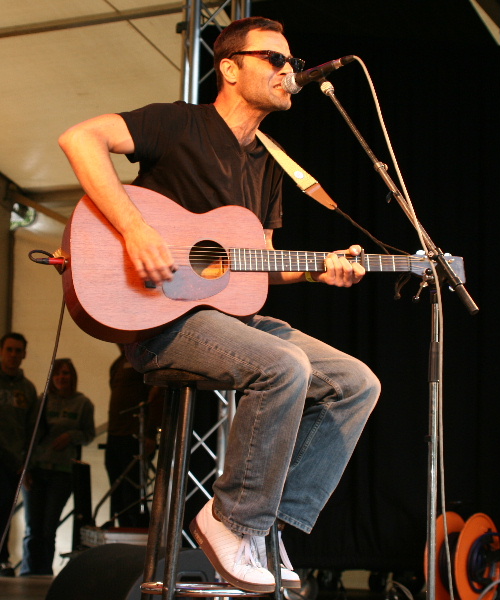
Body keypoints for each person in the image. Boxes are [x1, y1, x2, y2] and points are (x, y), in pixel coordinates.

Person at [58, 16, 381, 592]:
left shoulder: (272, 163)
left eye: (292, 61)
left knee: (356, 382)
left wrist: (317, 268)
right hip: (160, 321)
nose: (289, 71)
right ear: (230, 68)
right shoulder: (178, 123)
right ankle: (230, 519)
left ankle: (265, 526)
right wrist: (135, 229)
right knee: (284, 365)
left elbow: (258, 263)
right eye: (274, 60)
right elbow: (79, 139)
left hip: (232, 321)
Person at [20, 358, 95, 576]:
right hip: (37, 469)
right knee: (32, 527)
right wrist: (25, 468)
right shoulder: (42, 401)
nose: (62, 377)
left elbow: (89, 434)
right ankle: (28, 572)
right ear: (52, 378)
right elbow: (30, 435)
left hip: (62, 473)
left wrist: (71, 436)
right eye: (58, 373)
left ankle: (43, 573)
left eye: (66, 373)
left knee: (48, 527)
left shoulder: (83, 404)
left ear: (73, 377)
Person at [105, 344, 161, 528]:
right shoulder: (117, 363)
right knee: (117, 492)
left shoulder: (143, 359)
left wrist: (150, 434)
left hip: (135, 436)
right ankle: (123, 531)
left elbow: (155, 396)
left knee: (133, 494)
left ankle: (139, 532)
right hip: (114, 435)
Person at [0, 332, 38, 578]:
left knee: (6, 510)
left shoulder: (28, 389)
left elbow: (31, 429)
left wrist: (26, 464)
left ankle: (2, 559)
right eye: (9, 350)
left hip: (14, 462)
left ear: (24, 354)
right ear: (1, 351)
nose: (13, 355)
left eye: (18, 351)